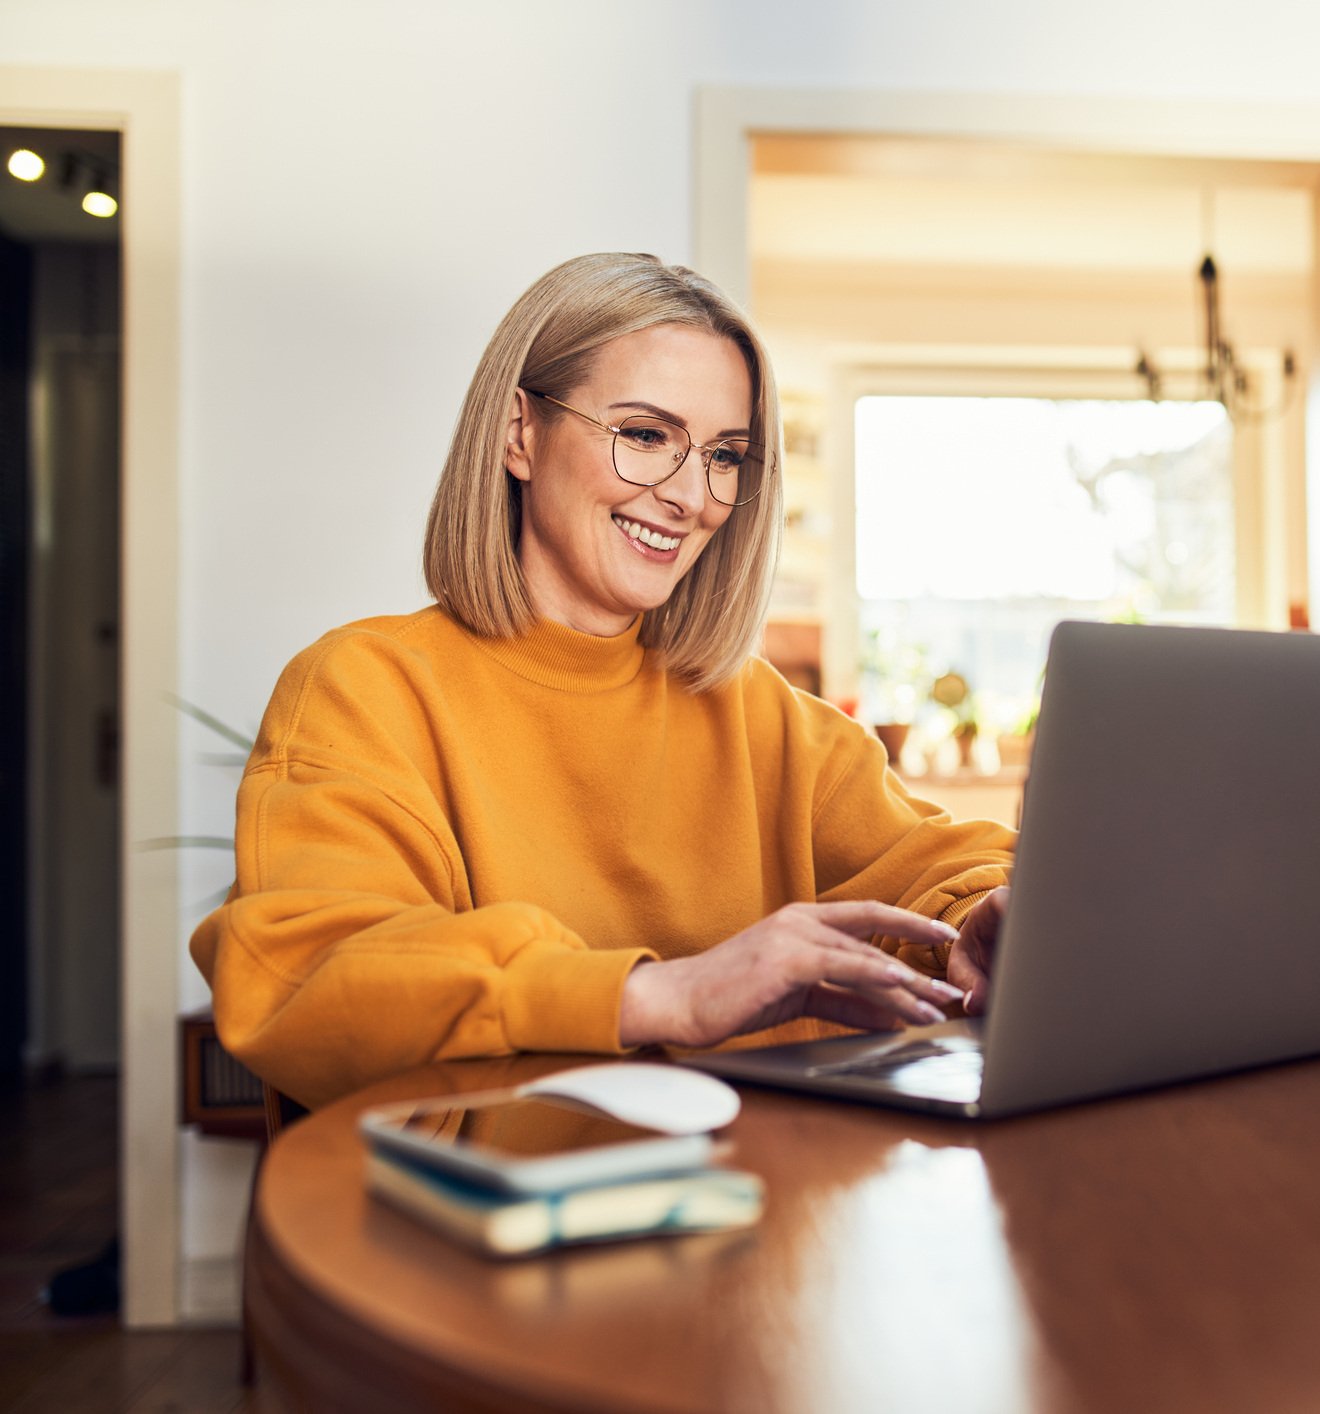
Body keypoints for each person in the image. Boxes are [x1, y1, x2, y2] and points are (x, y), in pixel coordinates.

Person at [191, 253, 1015, 1108]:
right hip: (490, 1222)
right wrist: (661, 995)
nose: (693, 496)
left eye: (725, 455)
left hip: (747, 1208)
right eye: (647, 436)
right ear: (520, 434)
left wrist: (983, 915)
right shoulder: (365, 690)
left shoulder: (759, 713)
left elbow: (940, 859)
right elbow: (306, 975)